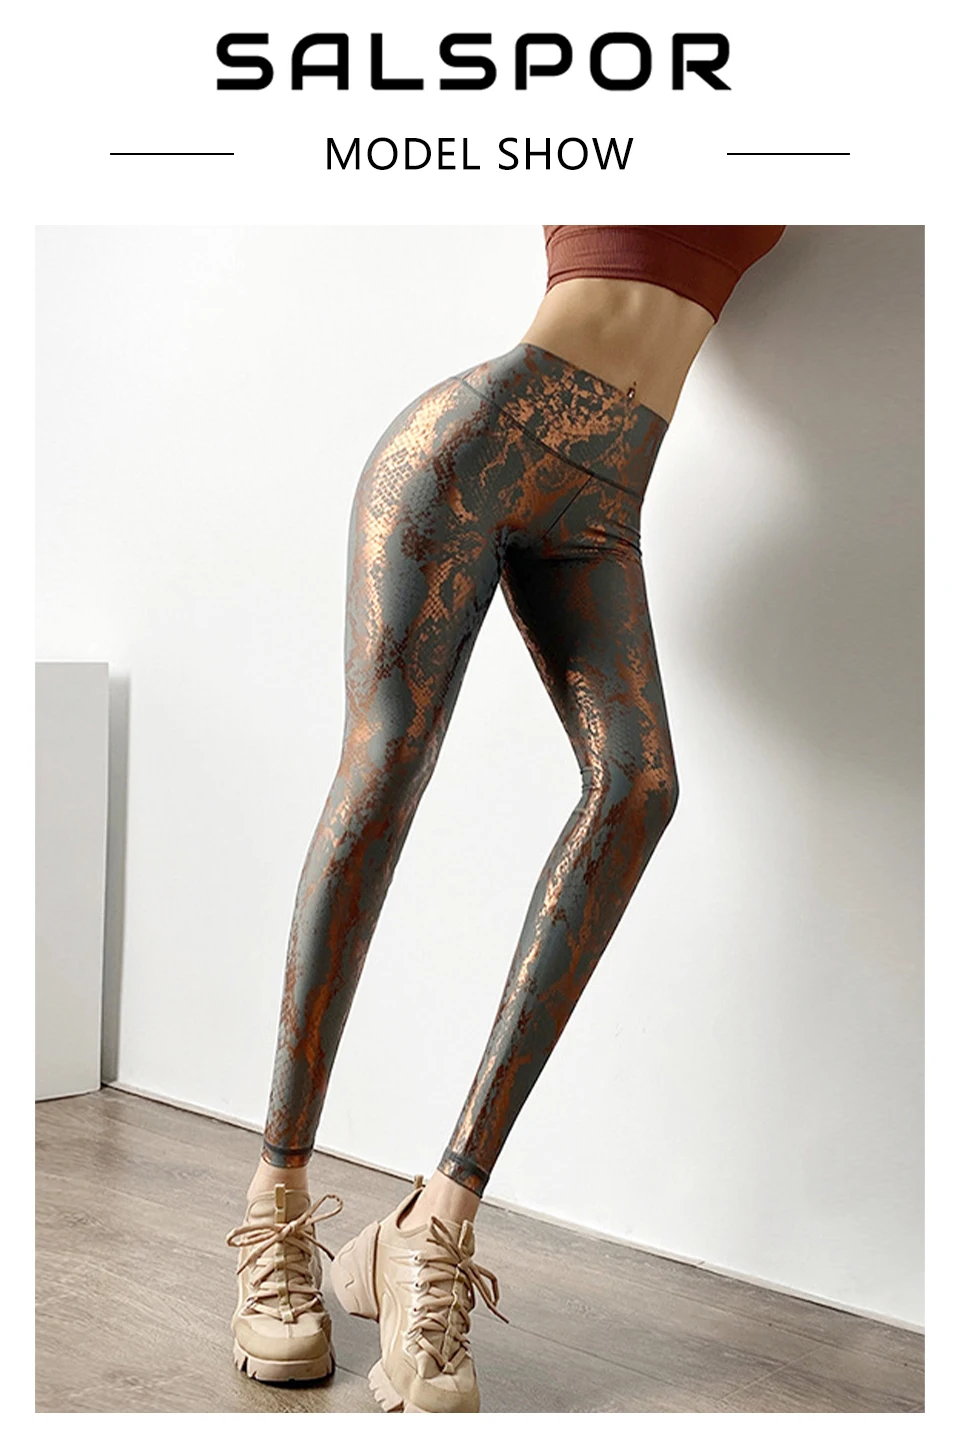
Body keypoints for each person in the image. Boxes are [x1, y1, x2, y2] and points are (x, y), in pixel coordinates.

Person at [224, 224, 786, 1413]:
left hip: (607, 494)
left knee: (638, 787)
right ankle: (274, 1204)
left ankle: (432, 1221)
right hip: (475, 445)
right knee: (386, 767)